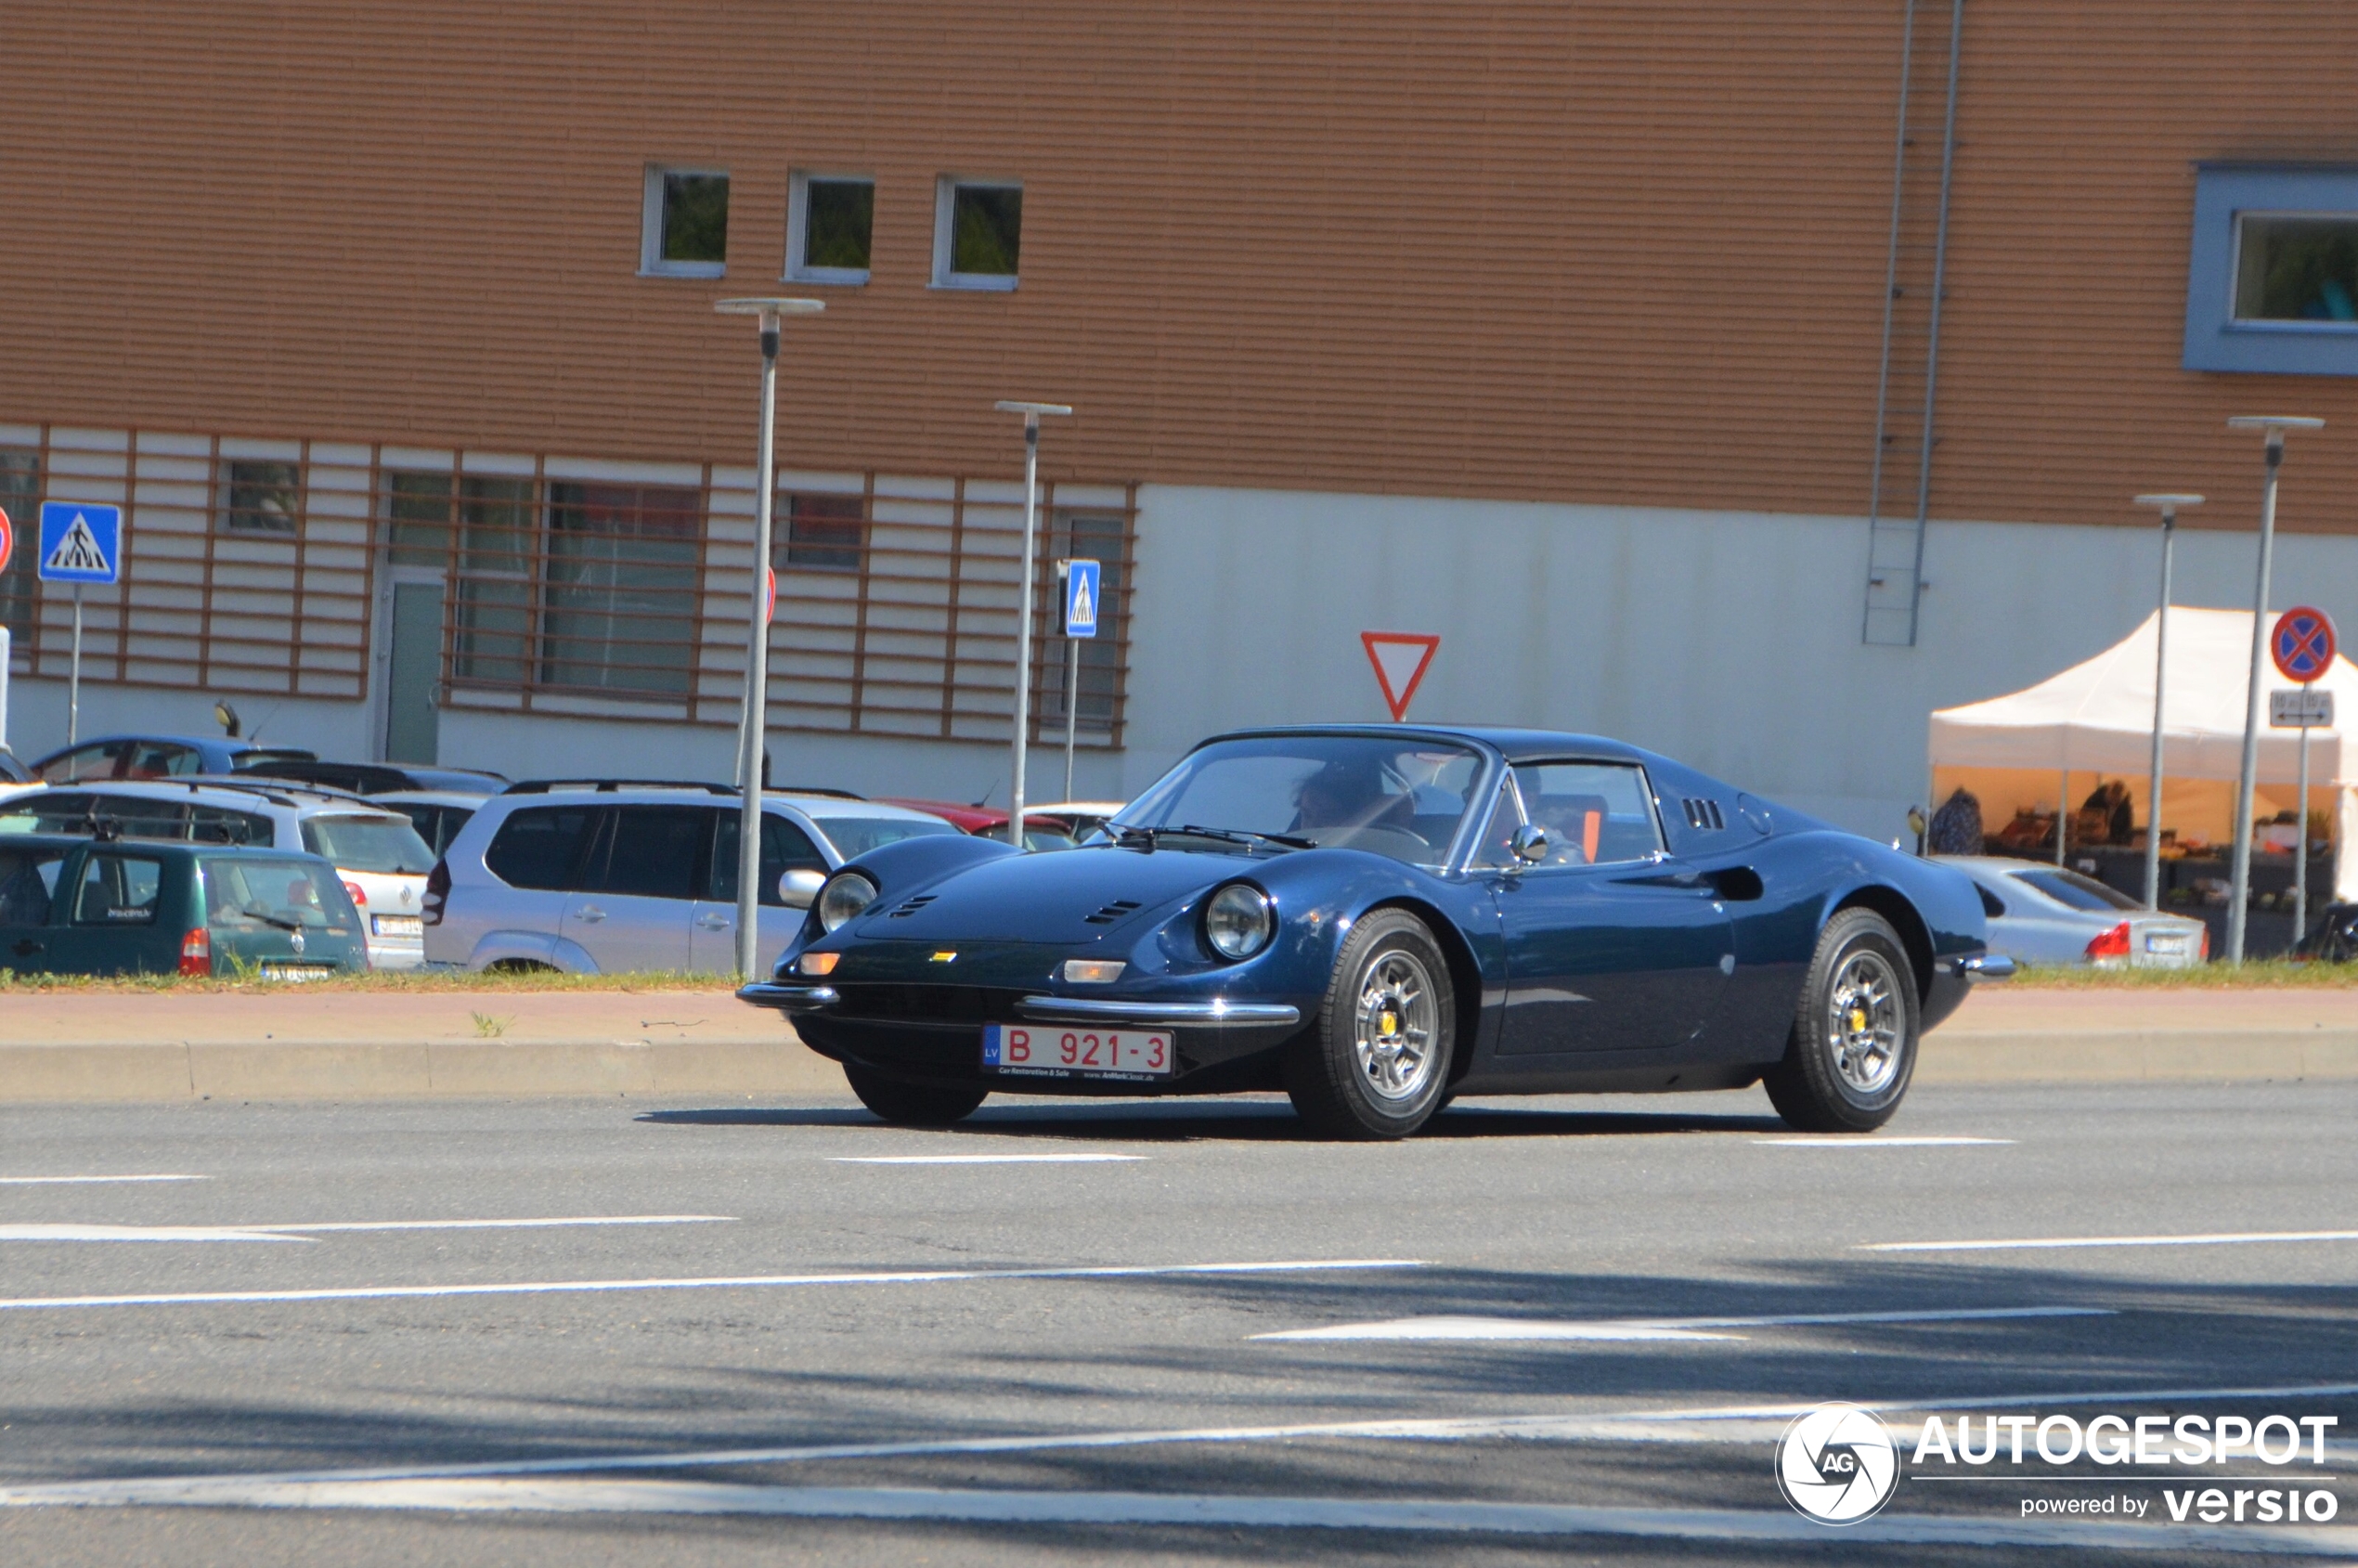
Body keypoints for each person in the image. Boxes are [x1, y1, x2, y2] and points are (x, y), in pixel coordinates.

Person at [1925, 787, 1983, 855]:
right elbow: (1978, 838)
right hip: (1969, 857)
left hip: (1949, 853)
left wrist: (1937, 847)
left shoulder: (1948, 809)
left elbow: (1935, 831)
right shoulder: (1975, 813)